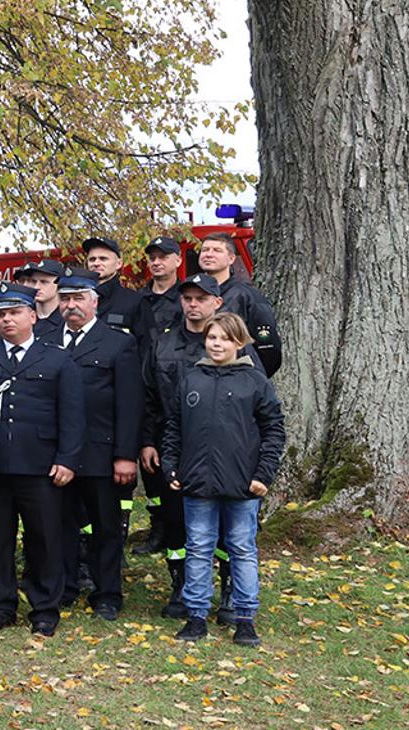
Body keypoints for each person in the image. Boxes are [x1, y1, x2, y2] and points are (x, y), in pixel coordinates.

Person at [0, 283, 84, 637]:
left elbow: (72, 415)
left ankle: (44, 607)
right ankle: (1, 605)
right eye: (0, 314)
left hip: (41, 465)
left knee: (44, 537)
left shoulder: (56, 357)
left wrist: (67, 459)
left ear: (31, 315)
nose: (7, 319)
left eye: (14, 313)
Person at [161, 312, 283, 647]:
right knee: (198, 548)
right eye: (212, 337)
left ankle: (245, 617)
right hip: (197, 482)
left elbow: (274, 430)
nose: (217, 344)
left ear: (239, 343)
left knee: (241, 549)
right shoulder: (191, 379)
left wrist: (264, 474)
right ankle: (196, 615)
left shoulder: (255, 382)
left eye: (225, 339)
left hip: (243, 484)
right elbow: (173, 427)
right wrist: (171, 466)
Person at [142, 273, 257, 619]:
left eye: (201, 299)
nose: (193, 305)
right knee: (175, 523)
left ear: (216, 302)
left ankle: (229, 591)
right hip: (173, 447)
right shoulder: (161, 343)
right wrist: (147, 441)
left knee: (226, 531)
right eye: (187, 298)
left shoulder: (236, 346)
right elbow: (147, 397)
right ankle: (182, 588)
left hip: (225, 451)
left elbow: (256, 404)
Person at [53, 269, 143, 620]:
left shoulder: (118, 343)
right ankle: (64, 586)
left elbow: (129, 404)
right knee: (59, 524)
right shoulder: (46, 339)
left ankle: (107, 593)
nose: (71, 306)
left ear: (95, 302)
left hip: (100, 453)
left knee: (106, 527)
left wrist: (124, 455)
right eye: (65, 299)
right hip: (56, 453)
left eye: (78, 299)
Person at [131, 236, 184, 554]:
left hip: (177, 392)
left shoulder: (188, 298)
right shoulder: (140, 302)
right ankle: (158, 527)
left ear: (178, 260)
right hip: (144, 389)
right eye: (152, 257)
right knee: (149, 465)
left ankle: (179, 528)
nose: (156, 262)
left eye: (163, 256)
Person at [195, 232, 280, 376]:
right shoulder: (190, 297)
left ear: (231, 258)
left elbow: (269, 350)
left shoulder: (248, 297)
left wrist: (249, 380)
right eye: (205, 250)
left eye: (217, 250)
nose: (209, 254)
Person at [80, 237, 144, 337]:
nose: (96, 263)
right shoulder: (76, 300)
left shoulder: (135, 301)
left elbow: (146, 346)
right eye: (92, 259)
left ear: (119, 263)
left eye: (103, 259)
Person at [12, 259, 65, 339]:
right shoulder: (21, 317)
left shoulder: (68, 319)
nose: (36, 287)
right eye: (33, 281)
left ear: (60, 284)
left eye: (44, 282)